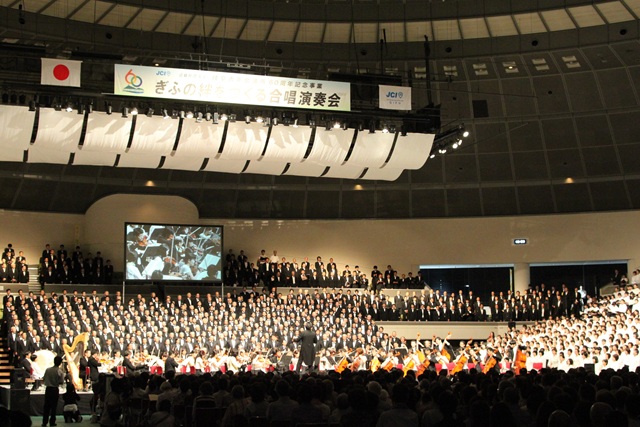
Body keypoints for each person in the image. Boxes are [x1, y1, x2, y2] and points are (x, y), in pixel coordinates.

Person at [42, 355, 64, 427]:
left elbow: (44, 379)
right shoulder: (60, 371)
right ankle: (52, 422)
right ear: (60, 363)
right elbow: (61, 382)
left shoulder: (48, 369)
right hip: (55, 389)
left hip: (48, 389)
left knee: (46, 407)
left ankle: (44, 422)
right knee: (54, 407)